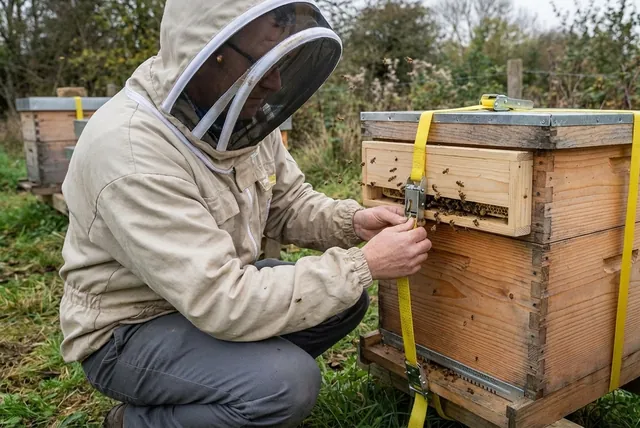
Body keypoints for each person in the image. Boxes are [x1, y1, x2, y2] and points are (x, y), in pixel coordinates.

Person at [58, 0, 432, 426]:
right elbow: (221, 297)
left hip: (197, 302)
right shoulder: (131, 153)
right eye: (263, 62)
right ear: (209, 52)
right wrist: (363, 264)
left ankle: (225, 383)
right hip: (129, 330)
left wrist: (351, 222)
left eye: (282, 61)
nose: (274, 82)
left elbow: (288, 203)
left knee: (340, 301)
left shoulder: (235, 114)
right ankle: (136, 421)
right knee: (286, 385)